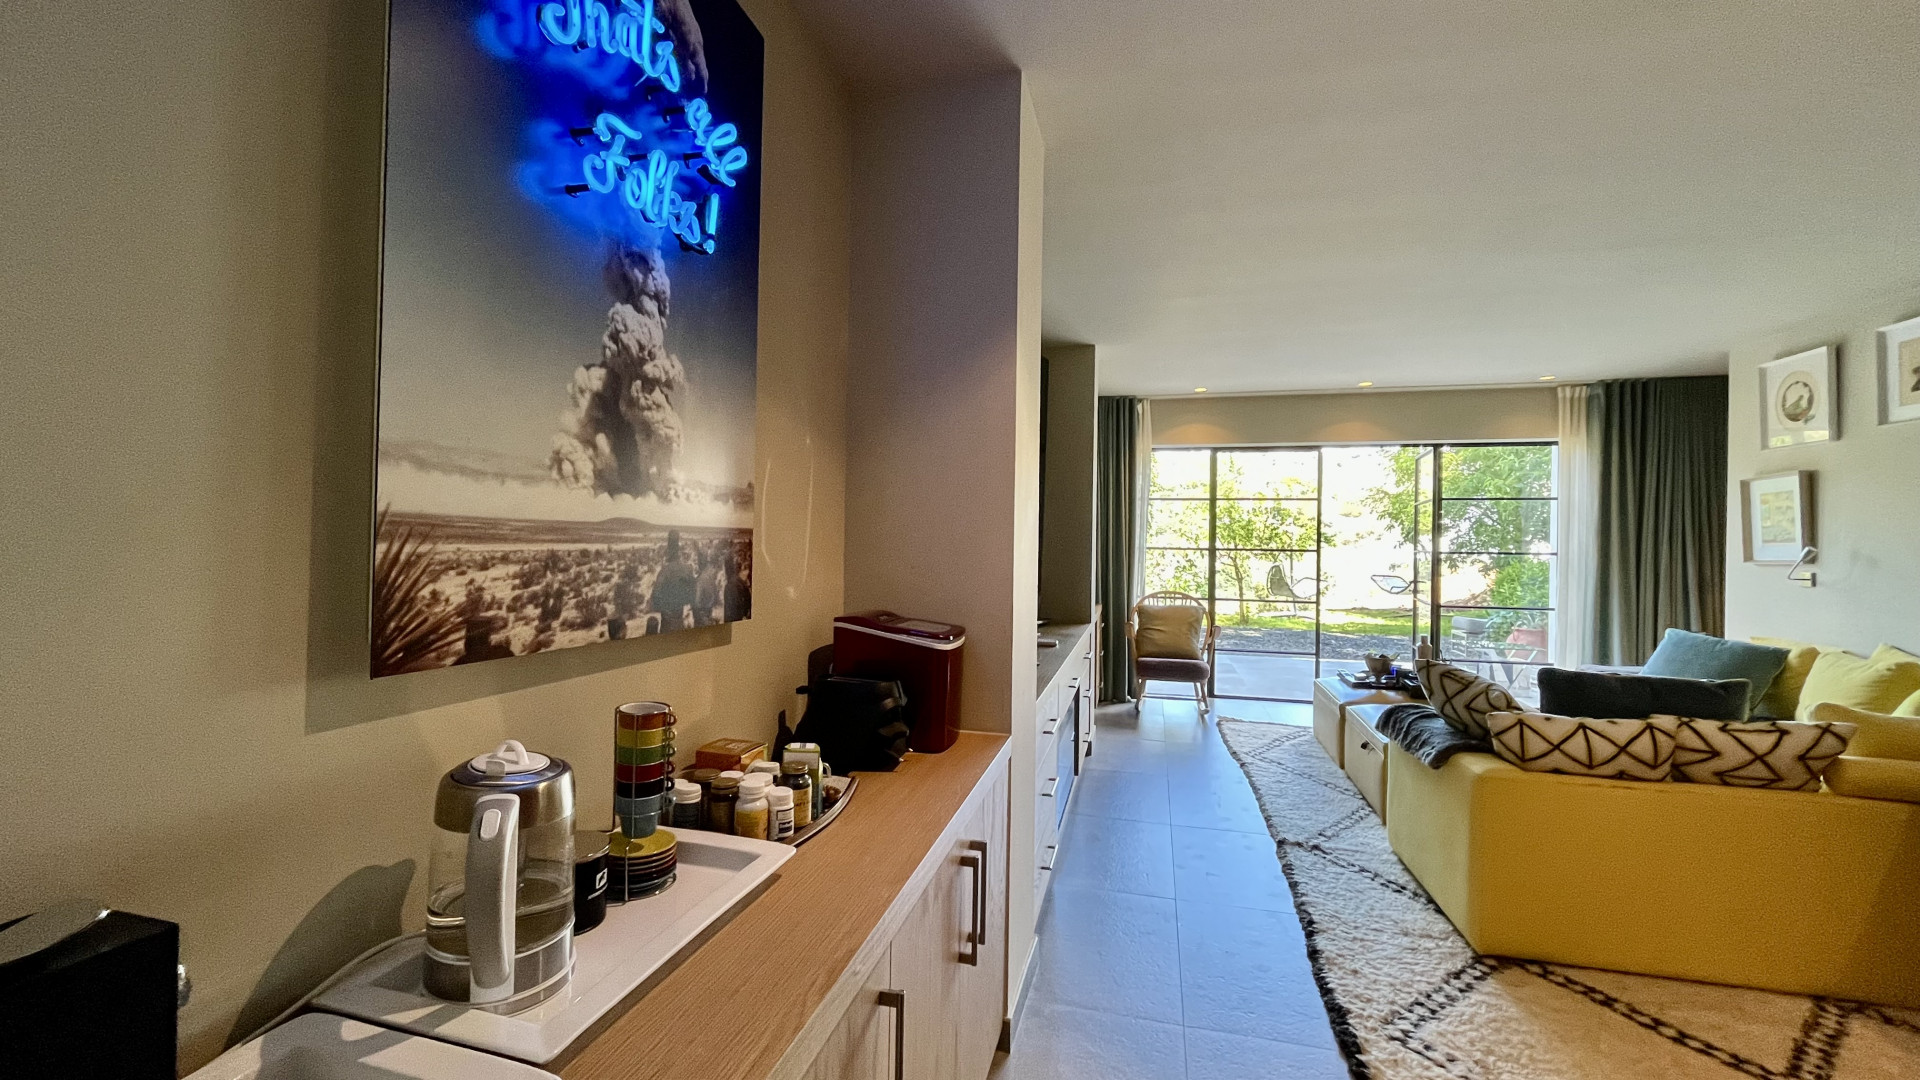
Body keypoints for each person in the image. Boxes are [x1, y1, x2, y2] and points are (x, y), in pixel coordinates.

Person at [648, 530, 697, 632]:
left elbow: (655, 597)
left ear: (668, 552)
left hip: (667, 622)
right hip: (680, 620)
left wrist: (666, 605)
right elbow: (693, 593)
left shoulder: (665, 571)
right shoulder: (686, 569)